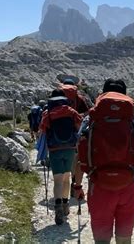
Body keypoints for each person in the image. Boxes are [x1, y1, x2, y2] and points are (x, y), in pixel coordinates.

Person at [74, 79, 134, 243]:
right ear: (125, 96)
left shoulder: (90, 121)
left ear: (102, 95)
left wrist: (78, 186)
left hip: (100, 187)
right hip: (129, 188)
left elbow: (80, 157)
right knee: (124, 239)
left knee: (102, 240)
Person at [39, 89, 82, 225]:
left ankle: (57, 206)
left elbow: (42, 130)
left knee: (57, 180)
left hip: (55, 149)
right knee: (67, 177)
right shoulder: (71, 111)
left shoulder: (48, 113)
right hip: (70, 148)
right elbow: (79, 126)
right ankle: (65, 205)